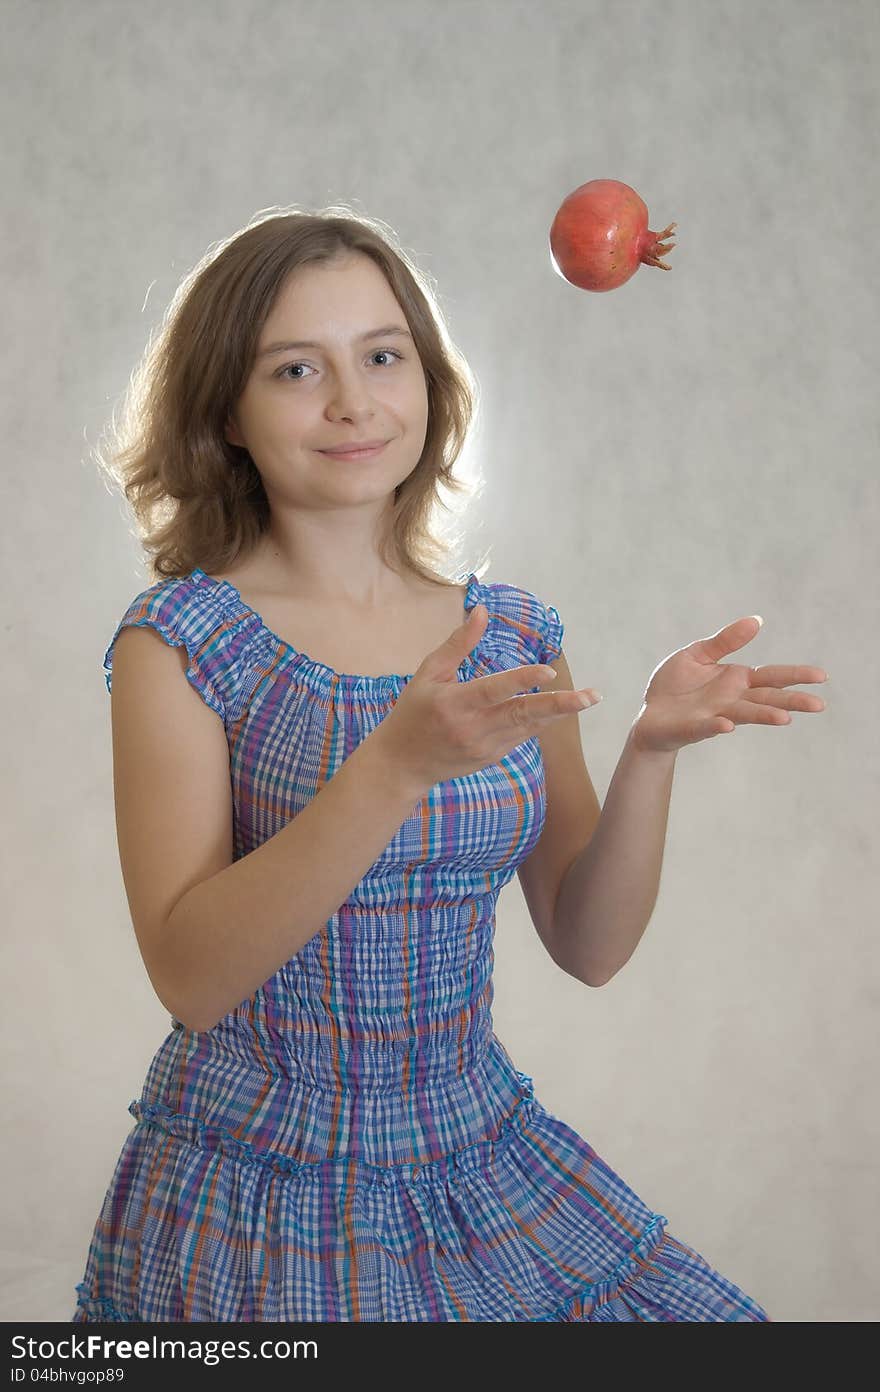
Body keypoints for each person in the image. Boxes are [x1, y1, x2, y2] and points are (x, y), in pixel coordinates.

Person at [73, 206, 825, 1322]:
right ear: (226, 411)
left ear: (428, 382)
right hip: (264, 1183)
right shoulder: (182, 642)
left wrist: (649, 753)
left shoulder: (509, 633)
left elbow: (588, 943)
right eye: (295, 369)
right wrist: (393, 767)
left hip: (473, 1150)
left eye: (384, 356)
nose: (352, 401)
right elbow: (192, 975)